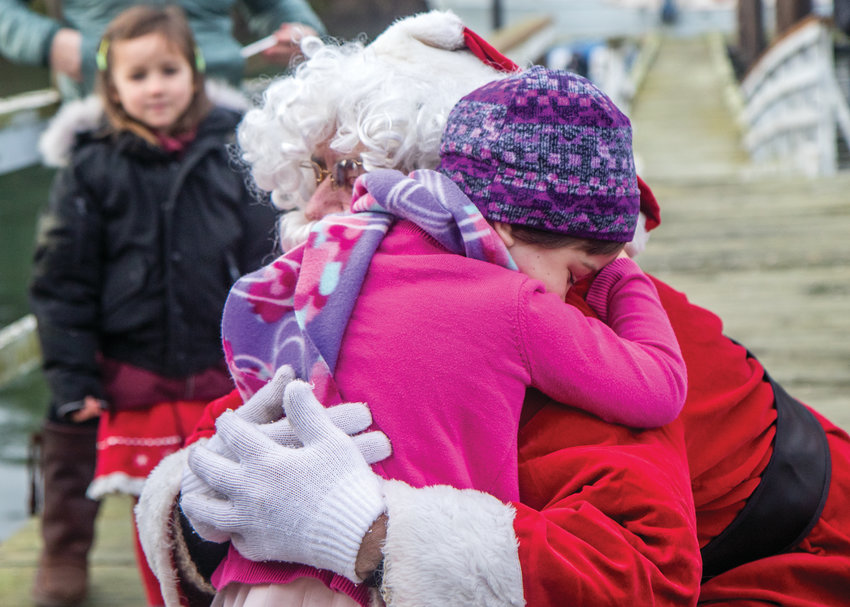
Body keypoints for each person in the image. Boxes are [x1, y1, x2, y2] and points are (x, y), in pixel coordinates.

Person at [142, 9, 850, 607]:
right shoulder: (349, 295)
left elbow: (643, 568)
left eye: (354, 172)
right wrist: (205, 518)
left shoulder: (561, 306)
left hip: (783, 556)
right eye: (316, 172)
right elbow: (202, 485)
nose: (321, 205)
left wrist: (372, 530)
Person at [28, 6, 279, 606]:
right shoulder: (90, 165)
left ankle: (207, 576)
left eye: (168, 70)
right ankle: (65, 548)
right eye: (137, 76)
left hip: (211, 356)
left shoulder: (232, 150)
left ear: (193, 71)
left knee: (210, 481)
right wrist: (72, 375)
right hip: (126, 359)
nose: (156, 86)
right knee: (82, 446)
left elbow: (263, 261)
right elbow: (62, 281)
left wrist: (265, 352)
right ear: (111, 86)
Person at [0, 0, 324, 100]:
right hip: (107, 116)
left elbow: (278, 8)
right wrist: (47, 43)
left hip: (224, 115)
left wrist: (301, 29)